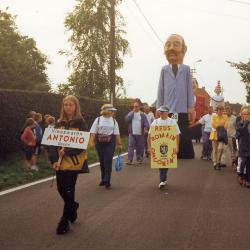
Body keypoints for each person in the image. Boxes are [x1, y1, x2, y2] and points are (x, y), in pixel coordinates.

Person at [49, 95, 88, 235]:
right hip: (60, 163)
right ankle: (72, 206)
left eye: (71, 105)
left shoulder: (81, 123)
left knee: (69, 189)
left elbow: (82, 145)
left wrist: (67, 152)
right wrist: (53, 160)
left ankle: (64, 222)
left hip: (74, 163)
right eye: (65, 105)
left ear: (76, 106)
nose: (68, 107)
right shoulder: (59, 123)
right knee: (61, 189)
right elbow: (52, 144)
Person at [156, 34, 195, 159]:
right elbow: (160, 90)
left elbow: (189, 89)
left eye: (176, 44)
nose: (171, 48)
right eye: (168, 45)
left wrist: (191, 107)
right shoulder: (164, 69)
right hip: (167, 110)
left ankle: (184, 152)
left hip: (182, 109)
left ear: (184, 49)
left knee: (182, 130)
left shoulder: (186, 69)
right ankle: (167, 152)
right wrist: (158, 107)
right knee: (167, 132)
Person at [89, 104, 122, 189]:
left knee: (108, 160)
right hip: (99, 142)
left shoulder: (114, 121)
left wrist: (119, 144)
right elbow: (93, 132)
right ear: (106, 111)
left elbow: (117, 133)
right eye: (111, 111)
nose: (113, 112)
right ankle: (103, 178)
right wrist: (91, 142)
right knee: (102, 161)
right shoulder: (98, 119)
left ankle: (107, 180)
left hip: (110, 142)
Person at [147, 105, 180, 189]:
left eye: (162, 111)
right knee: (160, 162)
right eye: (160, 111)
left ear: (167, 112)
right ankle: (163, 179)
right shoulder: (155, 122)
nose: (160, 113)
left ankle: (162, 179)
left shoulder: (172, 122)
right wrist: (149, 147)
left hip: (169, 146)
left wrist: (177, 146)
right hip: (158, 146)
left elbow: (177, 135)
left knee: (166, 161)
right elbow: (150, 135)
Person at [125, 100, 149, 165]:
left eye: (137, 106)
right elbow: (127, 119)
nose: (135, 107)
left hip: (140, 134)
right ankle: (130, 160)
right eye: (134, 106)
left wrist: (146, 128)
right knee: (130, 146)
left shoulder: (142, 114)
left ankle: (139, 159)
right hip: (132, 133)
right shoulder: (130, 113)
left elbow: (146, 123)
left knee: (140, 147)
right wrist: (132, 113)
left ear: (139, 107)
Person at [210, 105, 228, 170]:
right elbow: (213, 125)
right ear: (216, 110)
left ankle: (218, 162)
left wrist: (218, 125)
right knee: (215, 150)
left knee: (220, 149)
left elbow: (226, 126)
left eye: (221, 110)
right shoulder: (214, 116)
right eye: (219, 110)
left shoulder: (225, 117)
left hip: (222, 136)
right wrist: (221, 125)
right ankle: (215, 162)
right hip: (215, 135)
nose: (220, 111)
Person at [236, 106, 250, 187]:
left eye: (247, 113)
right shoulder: (240, 123)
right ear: (242, 115)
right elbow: (241, 131)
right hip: (243, 145)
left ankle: (248, 179)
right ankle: (240, 175)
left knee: (249, 163)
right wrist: (247, 122)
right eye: (244, 114)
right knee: (243, 161)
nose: (246, 115)